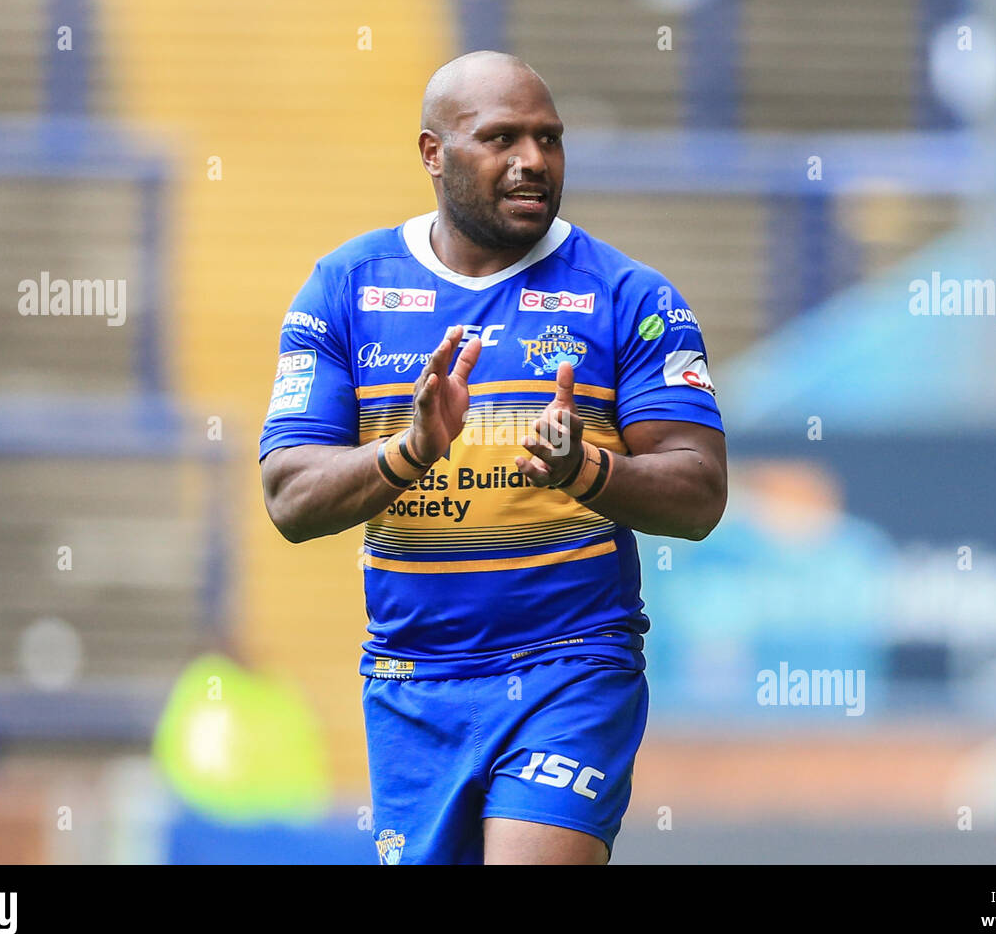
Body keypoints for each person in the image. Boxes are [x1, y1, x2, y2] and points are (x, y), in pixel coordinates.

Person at [259, 51, 726, 864]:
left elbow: (699, 491)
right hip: (412, 684)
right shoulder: (346, 288)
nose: (533, 161)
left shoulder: (630, 297)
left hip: (571, 667)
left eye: (549, 139)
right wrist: (407, 452)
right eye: (501, 138)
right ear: (433, 153)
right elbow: (290, 498)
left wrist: (588, 470)